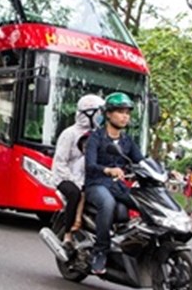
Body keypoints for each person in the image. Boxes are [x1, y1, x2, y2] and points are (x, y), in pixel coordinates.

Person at [84, 92, 144, 275]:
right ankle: (100, 252)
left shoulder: (127, 141)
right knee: (107, 203)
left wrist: (161, 170)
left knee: (143, 203)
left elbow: (141, 161)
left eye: (127, 112)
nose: (125, 116)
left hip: (118, 186)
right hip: (96, 184)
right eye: (120, 112)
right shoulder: (96, 137)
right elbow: (90, 165)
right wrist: (108, 170)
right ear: (108, 114)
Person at [52, 94, 104, 243]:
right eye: (99, 112)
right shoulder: (69, 134)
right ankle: (68, 234)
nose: (101, 116)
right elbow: (60, 162)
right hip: (65, 177)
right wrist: (74, 181)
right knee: (75, 194)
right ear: (90, 113)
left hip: (86, 178)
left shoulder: (98, 134)